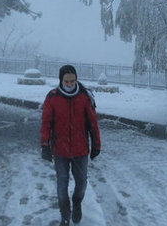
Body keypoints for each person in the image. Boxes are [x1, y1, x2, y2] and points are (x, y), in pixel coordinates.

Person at [41, 65, 101, 226]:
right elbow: (46, 123)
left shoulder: (84, 97)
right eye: (66, 81)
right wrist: (45, 145)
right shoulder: (52, 98)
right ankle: (65, 214)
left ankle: (77, 203)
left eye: (72, 81)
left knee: (81, 183)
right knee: (62, 184)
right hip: (60, 150)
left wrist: (96, 144)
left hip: (80, 150)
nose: (69, 84)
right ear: (61, 80)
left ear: (76, 79)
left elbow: (93, 123)